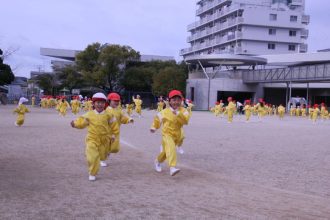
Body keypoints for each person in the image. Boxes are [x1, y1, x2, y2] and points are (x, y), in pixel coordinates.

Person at [70, 93, 118, 181]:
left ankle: (103, 157)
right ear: (94, 103)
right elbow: (82, 123)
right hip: (92, 139)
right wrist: (75, 124)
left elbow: (114, 125)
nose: (100, 104)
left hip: (104, 140)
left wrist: (114, 134)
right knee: (92, 156)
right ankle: (92, 172)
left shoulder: (108, 115)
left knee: (102, 156)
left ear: (105, 104)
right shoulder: (89, 114)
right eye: (97, 102)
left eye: (102, 103)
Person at [151, 90, 190, 176]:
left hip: (177, 135)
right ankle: (172, 167)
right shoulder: (165, 111)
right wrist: (154, 127)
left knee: (165, 153)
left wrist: (178, 114)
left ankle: (157, 161)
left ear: (181, 100)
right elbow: (157, 119)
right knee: (171, 148)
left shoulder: (184, 111)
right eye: (174, 100)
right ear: (170, 101)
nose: (176, 102)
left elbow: (185, 121)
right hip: (167, 134)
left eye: (178, 100)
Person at [103, 93, 134, 166]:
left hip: (116, 132)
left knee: (115, 148)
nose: (116, 102)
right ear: (109, 101)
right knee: (106, 146)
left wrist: (128, 120)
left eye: (118, 101)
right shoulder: (106, 110)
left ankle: (104, 154)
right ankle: (102, 159)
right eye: (114, 101)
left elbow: (123, 118)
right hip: (107, 132)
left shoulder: (119, 110)